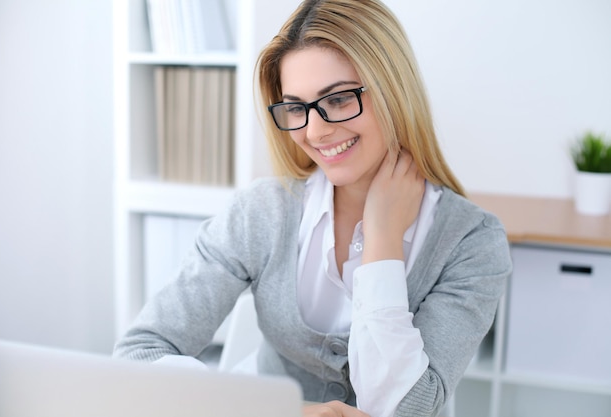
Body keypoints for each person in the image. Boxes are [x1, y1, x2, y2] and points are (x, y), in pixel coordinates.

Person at [113, 1, 512, 416]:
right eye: (296, 108)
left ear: (394, 89)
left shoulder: (473, 242)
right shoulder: (262, 214)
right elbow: (139, 355)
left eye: (338, 99)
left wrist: (382, 241)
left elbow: (409, 409)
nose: (315, 131)